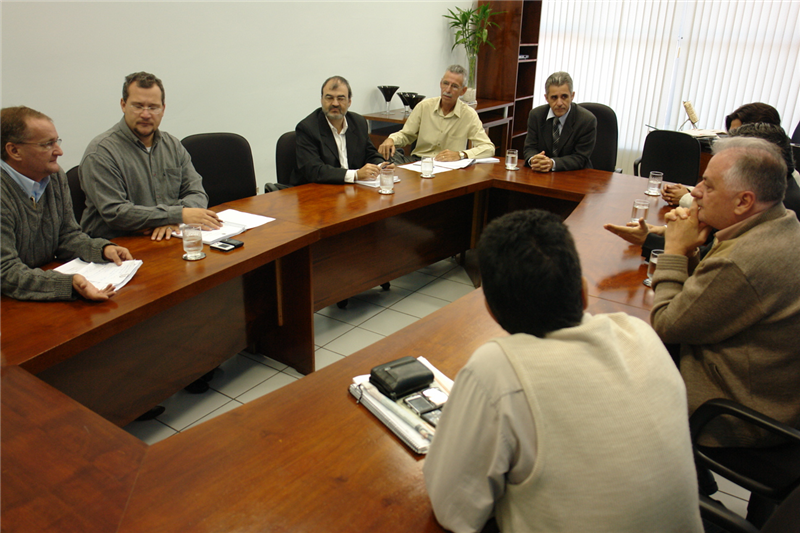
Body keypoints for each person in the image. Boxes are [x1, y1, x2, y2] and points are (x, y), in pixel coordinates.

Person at [424, 209, 702, 533]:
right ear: (584, 293)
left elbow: (454, 511)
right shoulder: (640, 333)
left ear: (490, 309)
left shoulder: (497, 370)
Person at [650, 137, 800, 447]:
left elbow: (666, 324)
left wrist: (676, 250)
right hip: (772, 392)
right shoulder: (782, 223)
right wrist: (692, 252)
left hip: (736, 418)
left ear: (744, 201)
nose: (695, 193)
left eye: (708, 185)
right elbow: (703, 296)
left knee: (624, 369)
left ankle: (674, 473)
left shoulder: (742, 261)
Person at [604, 121, 800, 257]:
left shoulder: (782, 207)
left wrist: (658, 242)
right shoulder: (772, 199)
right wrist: (662, 233)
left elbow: (671, 316)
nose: (696, 191)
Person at [0, 106, 132, 301]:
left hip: (38, 289)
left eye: (56, 141)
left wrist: (101, 250)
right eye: (46, 144)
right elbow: (5, 271)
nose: (59, 151)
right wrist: (66, 284)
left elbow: (67, 236)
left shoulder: (54, 176)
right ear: (14, 150)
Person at [79, 71, 221, 240]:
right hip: (115, 248)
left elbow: (197, 193)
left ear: (163, 109)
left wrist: (170, 220)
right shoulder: (101, 152)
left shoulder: (172, 145)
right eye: (138, 106)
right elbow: (116, 213)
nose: (146, 114)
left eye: (153, 107)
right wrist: (177, 215)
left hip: (166, 236)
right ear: (123, 105)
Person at [378, 65, 495, 163]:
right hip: (418, 162)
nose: (448, 90)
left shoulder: (468, 115)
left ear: (463, 91)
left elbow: (488, 148)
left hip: (447, 166)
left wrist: (461, 154)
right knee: (382, 157)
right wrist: (391, 139)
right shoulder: (424, 107)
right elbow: (406, 135)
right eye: (445, 83)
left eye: (454, 86)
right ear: (440, 84)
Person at [291, 76, 389, 186]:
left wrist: (382, 166)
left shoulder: (358, 122)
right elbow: (314, 170)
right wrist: (355, 175)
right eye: (329, 98)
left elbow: (370, 154)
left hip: (353, 190)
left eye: (341, 98)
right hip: (318, 192)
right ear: (321, 100)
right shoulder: (307, 128)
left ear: (349, 102)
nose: (335, 103)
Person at [522, 71, 597, 172]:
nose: (559, 103)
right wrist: (533, 160)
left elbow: (580, 157)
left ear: (572, 96)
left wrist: (552, 163)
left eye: (564, 97)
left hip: (576, 175)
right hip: (542, 173)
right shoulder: (536, 115)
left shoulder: (586, 120)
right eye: (554, 97)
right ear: (546, 98)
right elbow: (530, 147)